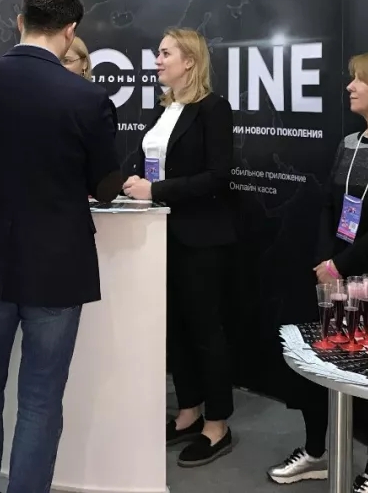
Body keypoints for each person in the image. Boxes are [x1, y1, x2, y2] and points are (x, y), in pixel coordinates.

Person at [0, 0, 123, 493]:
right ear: (70, 30)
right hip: (58, 264)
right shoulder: (87, 97)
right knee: (40, 396)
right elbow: (106, 186)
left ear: (20, 21)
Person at [267, 50, 368, 493]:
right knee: (318, 369)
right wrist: (326, 262)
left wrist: (341, 264)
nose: (350, 86)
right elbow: (329, 208)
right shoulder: (350, 144)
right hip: (330, 275)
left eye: (360, 80)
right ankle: (315, 452)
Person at [123, 28, 236, 467]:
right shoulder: (163, 110)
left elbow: (217, 177)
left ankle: (217, 423)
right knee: (175, 328)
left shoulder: (213, 109)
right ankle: (189, 411)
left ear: (190, 61)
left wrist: (156, 190)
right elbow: (149, 164)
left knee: (205, 330)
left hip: (200, 237)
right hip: (161, 235)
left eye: (165, 53)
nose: (157, 60)